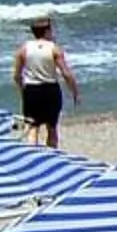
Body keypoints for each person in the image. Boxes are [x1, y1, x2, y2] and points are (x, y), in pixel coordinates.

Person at [11, 19, 78, 148]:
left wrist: (22, 90)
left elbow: (16, 75)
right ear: (47, 31)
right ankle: (53, 157)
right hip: (50, 89)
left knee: (32, 127)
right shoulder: (54, 48)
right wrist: (75, 91)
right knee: (52, 128)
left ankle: (33, 156)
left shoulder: (24, 49)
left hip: (31, 89)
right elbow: (66, 73)